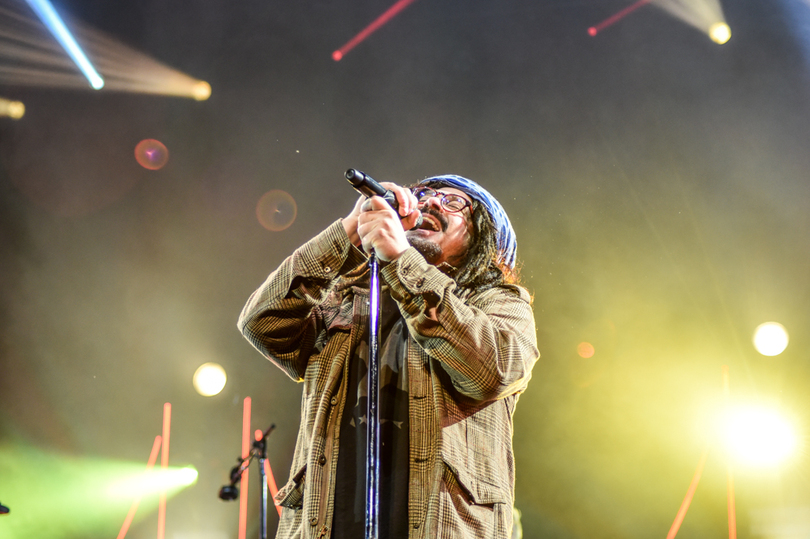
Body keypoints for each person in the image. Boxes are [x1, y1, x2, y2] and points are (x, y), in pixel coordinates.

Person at [238, 174, 539, 539]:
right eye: (423, 195)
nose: (430, 203)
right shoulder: (346, 298)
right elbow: (261, 323)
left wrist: (401, 259)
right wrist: (349, 232)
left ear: (484, 238)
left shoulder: (500, 302)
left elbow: (493, 370)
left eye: (454, 202)